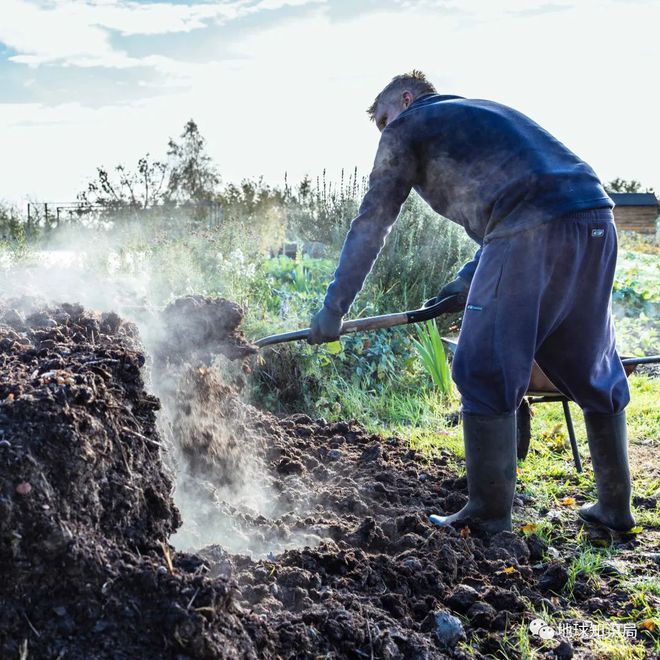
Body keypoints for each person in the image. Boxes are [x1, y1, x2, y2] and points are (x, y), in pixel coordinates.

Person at [307, 71, 634, 535]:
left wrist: (333, 309)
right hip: (594, 218)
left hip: (531, 228)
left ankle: (487, 515)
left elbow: (371, 223)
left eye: (383, 119)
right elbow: (526, 193)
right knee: (590, 366)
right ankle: (614, 511)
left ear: (405, 99)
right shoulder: (480, 113)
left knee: (482, 366)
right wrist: (465, 281)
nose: (384, 133)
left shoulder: (409, 125)